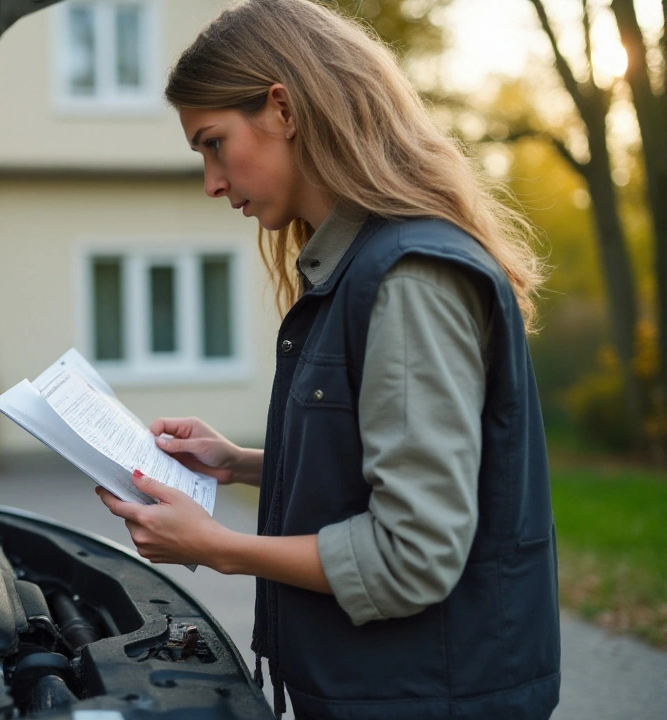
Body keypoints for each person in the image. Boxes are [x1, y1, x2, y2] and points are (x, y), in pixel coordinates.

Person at [95, 1, 561, 718]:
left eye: (214, 143)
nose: (212, 182)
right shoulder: (357, 268)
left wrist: (221, 547)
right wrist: (242, 462)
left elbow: (411, 556)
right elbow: (375, 458)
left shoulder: (409, 277)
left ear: (282, 107)